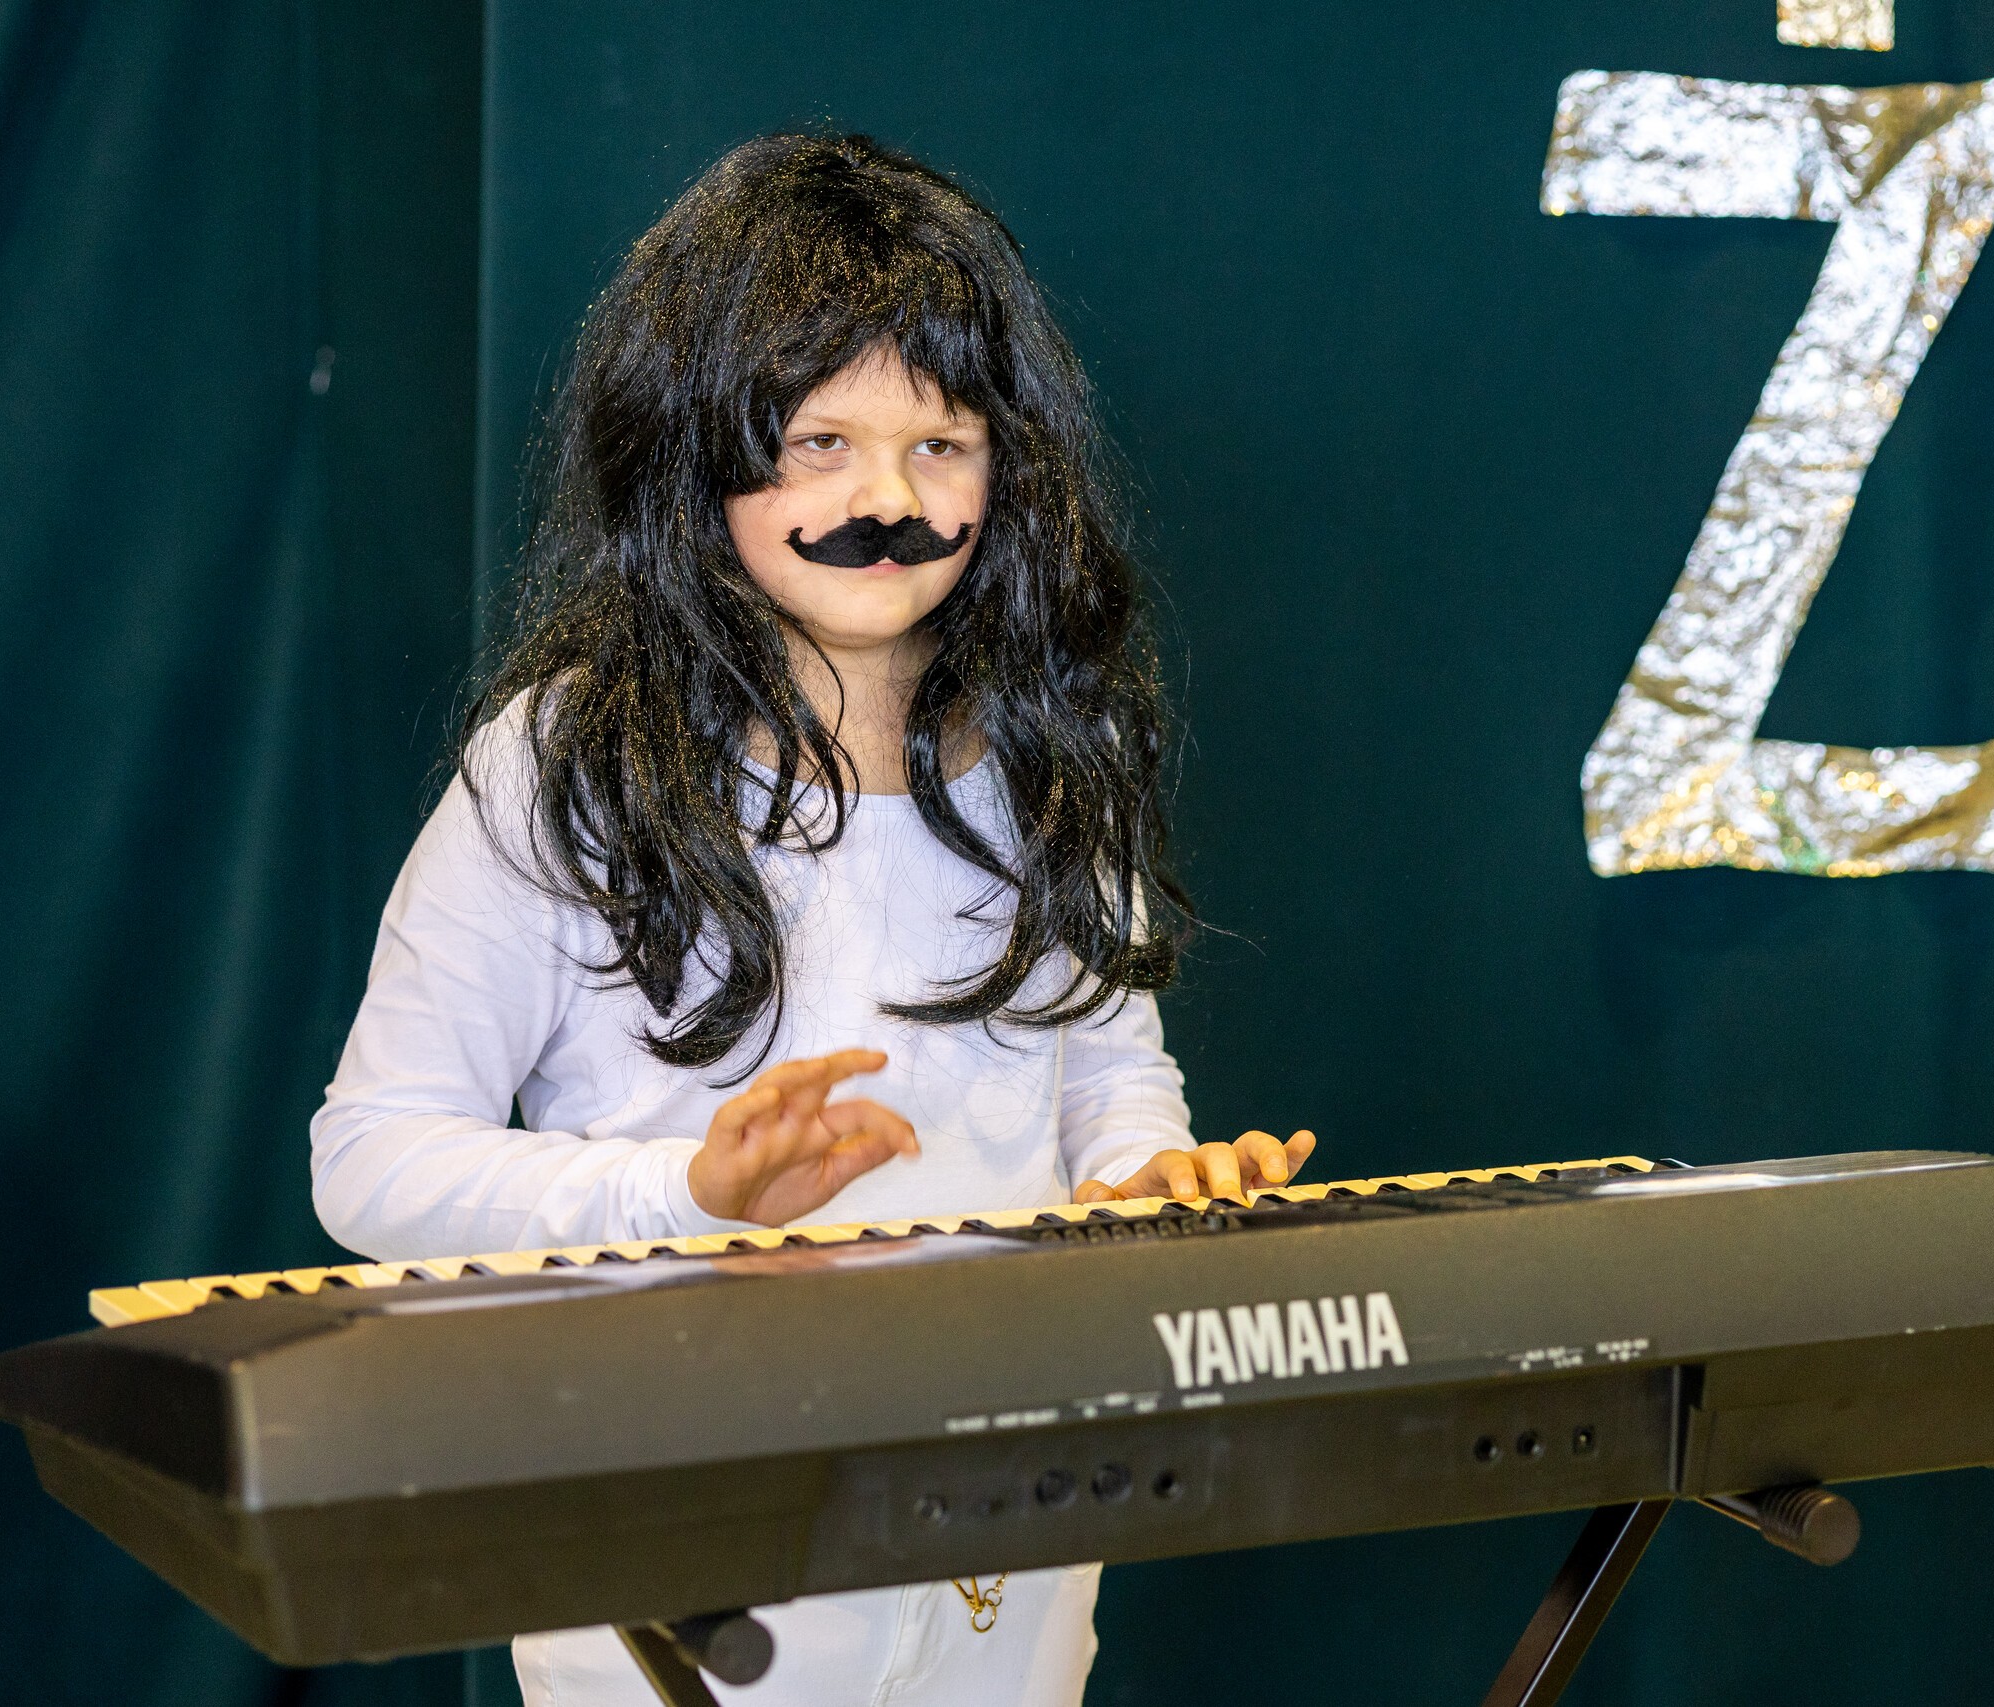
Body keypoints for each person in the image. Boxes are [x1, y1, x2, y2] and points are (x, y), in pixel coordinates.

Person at [309, 133, 1317, 1707]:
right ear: (690, 451)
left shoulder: (1060, 748)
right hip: (680, 1537)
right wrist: (696, 1193)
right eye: (820, 442)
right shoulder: (568, 765)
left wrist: (1152, 1188)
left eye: (941, 443)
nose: (886, 501)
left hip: (1017, 1538)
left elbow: (1108, 1077)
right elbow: (371, 1162)